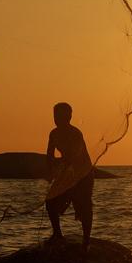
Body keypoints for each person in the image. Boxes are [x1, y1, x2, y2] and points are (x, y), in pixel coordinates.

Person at [45, 102, 94, 250]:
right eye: (55, 115)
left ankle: (86, 240)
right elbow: (49, 154)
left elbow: (74, 156)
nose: (57, 119)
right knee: (50, 201)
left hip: (83, 174)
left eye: (61, 115)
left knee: (84, 205)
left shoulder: (75, 133)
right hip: (67, 173)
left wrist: (60, 163)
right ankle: (57, 234)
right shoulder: (53, 133)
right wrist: (50, 170)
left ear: (69, 116)